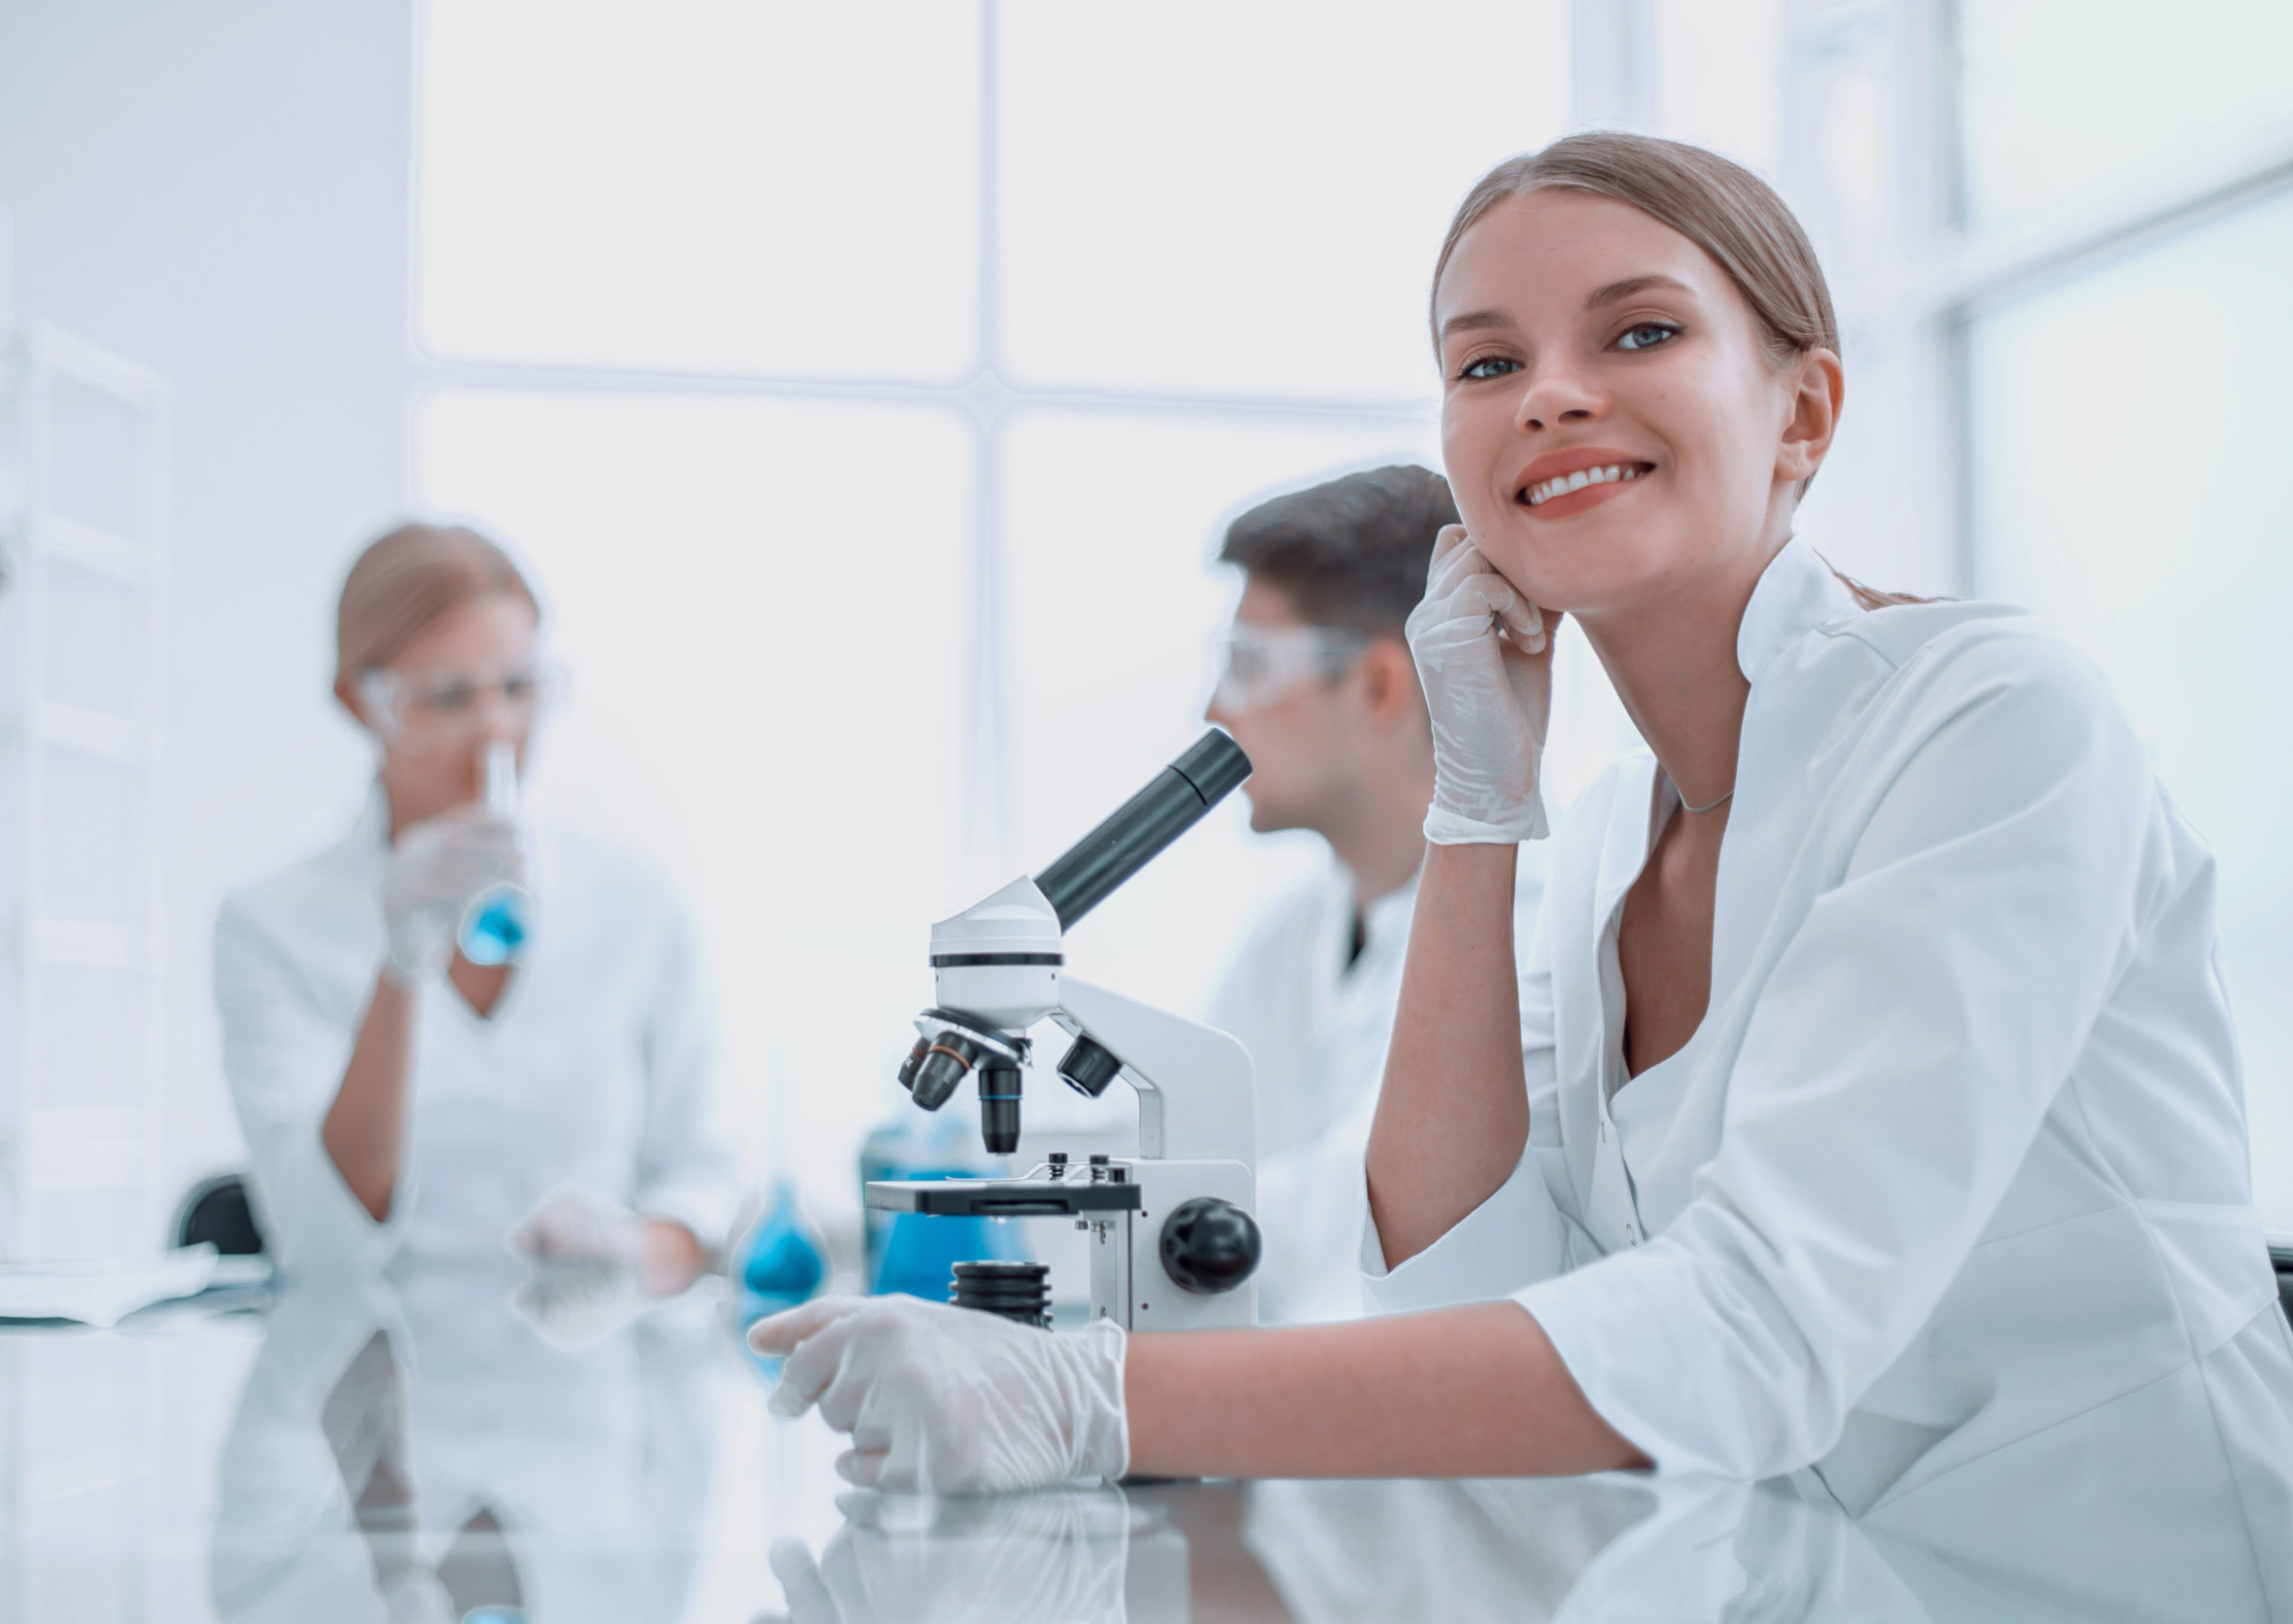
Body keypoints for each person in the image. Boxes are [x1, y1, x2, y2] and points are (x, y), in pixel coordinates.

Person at [747, 131, 2293, 1577]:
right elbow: (1453, 1296)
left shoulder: (1989, 719)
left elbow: (1761, 1328)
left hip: (2132, 1570)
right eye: (1488, 362)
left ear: (1804, 410)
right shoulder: (1617, 826)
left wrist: (1101, 1397)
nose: (1550, 395)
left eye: (1638, 334)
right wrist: (1476, 814)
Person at [214, 523, 738, 1285]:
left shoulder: (636, 904)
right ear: (361, 701)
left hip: (594, 1380)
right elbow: (321, 1239)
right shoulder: (271, 926)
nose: (496, 729)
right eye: (448, 696)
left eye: (519, 689)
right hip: (378, 1377)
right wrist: (398, 972)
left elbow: (706, 1184)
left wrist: (630, 1250)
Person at [1201, 465, 1449, 1324]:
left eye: (1248, 666)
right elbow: (1187, 1152)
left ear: (1379, 685)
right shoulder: (1290, 938)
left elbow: (1349, 1229)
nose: (1214, 712)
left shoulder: (1535, 935)